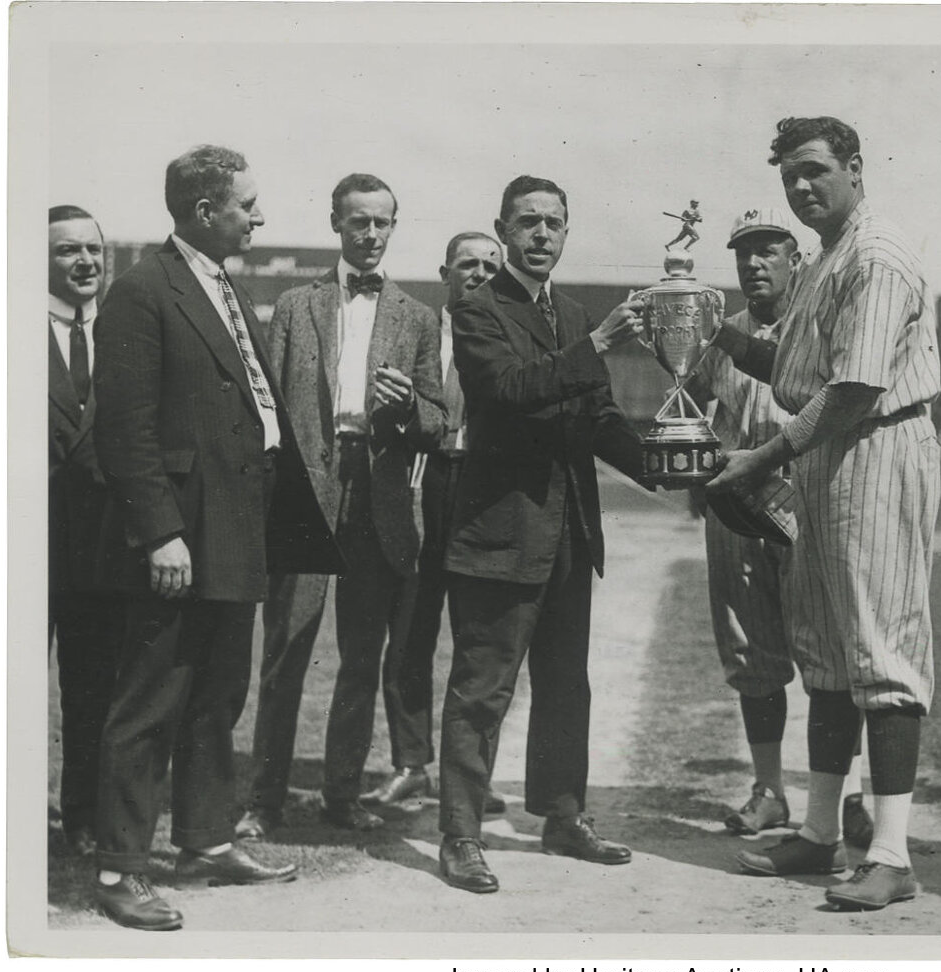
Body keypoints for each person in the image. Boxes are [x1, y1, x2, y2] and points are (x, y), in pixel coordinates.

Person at [91, 145, 341, 930]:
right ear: (206, 211)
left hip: (238, 530)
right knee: (149, 701)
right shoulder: (140, 292)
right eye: (247, 204)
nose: (259, 216)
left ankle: (204, 843)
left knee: (216, 698)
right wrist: (161, 533)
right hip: (181, 536)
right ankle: (119, 867)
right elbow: (125, 432)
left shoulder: (221, 283)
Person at [708, 117, 941, 911]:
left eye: (814, 171)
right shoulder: (829, 257)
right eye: (789, 178)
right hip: (829, 453)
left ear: (853, 165)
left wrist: (764, 458)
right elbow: (805, 371)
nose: (802, 187)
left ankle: (891, 852)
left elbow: (852, 391)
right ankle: (817, 834)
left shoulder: (875, 255)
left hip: (874, 447)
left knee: (880, 651)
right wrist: (714, 338)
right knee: (827, 653)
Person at [436, 175, 647, 894]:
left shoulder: (574, 313)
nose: (541, 234)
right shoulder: (477, 310)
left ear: (566, 231)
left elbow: (597, 418)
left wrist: (670, 463)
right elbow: (510, 390)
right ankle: (461, 835)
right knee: (481, 690)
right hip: (499, 531)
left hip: (568, 536)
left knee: (565, 688)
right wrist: (597, 343)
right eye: (527, 222)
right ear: (502, 230)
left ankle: (563, 816)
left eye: (554, 222)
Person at [236, 173, 446, 839]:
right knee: (286, 651)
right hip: (305, 493)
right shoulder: (297, 306)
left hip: (377, 494)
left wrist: (410, 407)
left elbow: (438, 420)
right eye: (359, 222)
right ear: (336, 224)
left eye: (382, 222)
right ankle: (264, 801)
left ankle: (341, 795)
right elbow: (266, 403)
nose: (371, 234)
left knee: (360, 657)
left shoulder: (418, 316)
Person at [686, 206, 872, 844]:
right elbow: (697, 406)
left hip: (807, 503)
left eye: (769, 250)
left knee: (829, 652)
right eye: (744, 251)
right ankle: (769, 790)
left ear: (798, 259)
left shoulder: (821, 323)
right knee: (749, 652)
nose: (754, 263)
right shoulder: (720, 329)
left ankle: (844, 795)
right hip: (738, 507)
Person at [374, 231, 505, 811]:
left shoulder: (510, 337)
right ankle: (411, 763)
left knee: (480, 643)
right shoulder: (418, 329)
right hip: (424, 484)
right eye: (467, 264)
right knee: (408, 635)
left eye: (488, 265)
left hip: (483, 494)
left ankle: (472, 773)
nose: (478, 274)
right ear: (445, 272)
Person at [47, 205, 122, 858]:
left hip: (97, 548)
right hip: (21, 548)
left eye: (93, 250)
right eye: (68, 251)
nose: (84, 263)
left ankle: (82, 816)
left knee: (91, 687)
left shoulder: (122, 336)